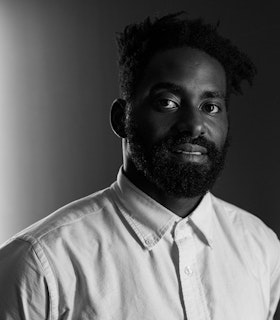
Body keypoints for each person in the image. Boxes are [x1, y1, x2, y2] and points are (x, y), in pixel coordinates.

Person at [0, 12, 279, 320]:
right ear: (122, 119)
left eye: (210, 107)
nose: (194, 125)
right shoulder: (39, 264)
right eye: (168, 102)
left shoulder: (261, 246)